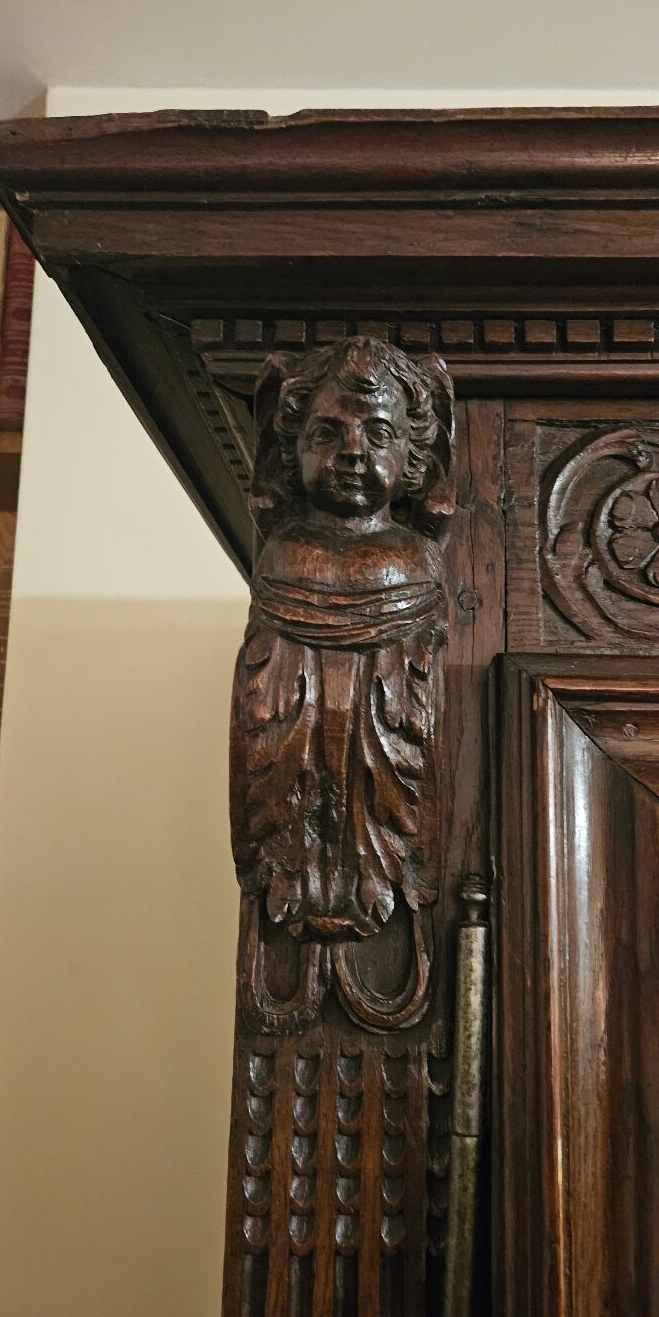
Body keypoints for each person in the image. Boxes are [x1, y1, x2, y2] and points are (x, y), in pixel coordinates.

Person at [232, 338, 454, 1031]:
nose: (353, 449)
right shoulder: (284, 557)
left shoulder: (413, 557)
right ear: (293, 450)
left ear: (413, 456)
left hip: (384, 849)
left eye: (378, 432)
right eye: (328, 431)